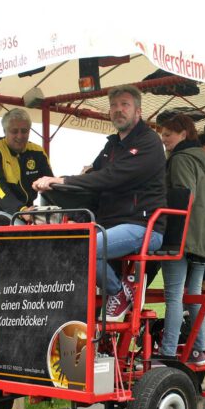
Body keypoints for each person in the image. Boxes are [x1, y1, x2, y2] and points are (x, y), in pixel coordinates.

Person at [32, 85, 166, 321]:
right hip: (109, 222)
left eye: (125, 105)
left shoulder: (149, 142)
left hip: (142, 224)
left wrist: (61, 180)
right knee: (60, 242)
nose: (118, 110)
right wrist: (57, 190)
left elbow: (111, 177)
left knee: (84, 247)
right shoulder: (112, 145)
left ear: (138, 111)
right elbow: (94, 175)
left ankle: (117, 292)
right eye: (114, 106)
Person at [156, 114, 205, 366]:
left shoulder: (179, 159)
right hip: (202, 237)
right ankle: (199, 351)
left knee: (174, 297)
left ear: (183, 134)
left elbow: (182, 198)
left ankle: (168, 352)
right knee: (195, 295)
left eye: (168, 134)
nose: (164, 139)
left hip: (181, 237)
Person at [0, 108, 53, 221]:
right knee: (19, 228)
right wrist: (21, 211)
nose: (20, 136)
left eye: (24, 131)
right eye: (14, 131)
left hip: (24, 211)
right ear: (4, 131)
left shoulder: (38, 152)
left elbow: (50, 185)